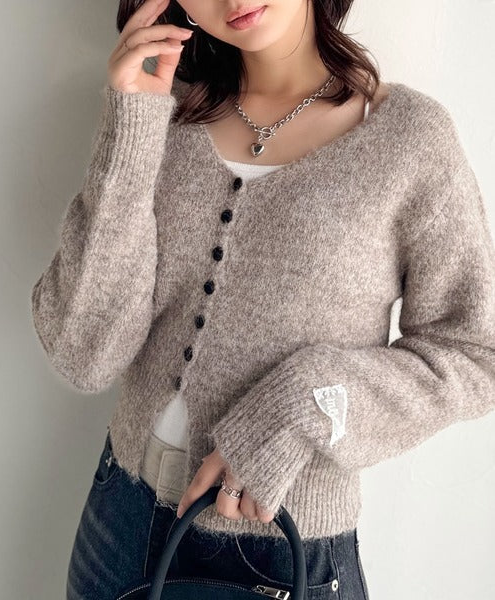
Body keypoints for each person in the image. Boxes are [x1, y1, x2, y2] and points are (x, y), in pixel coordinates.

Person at [30, 0, 495, 599]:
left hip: (283, 553)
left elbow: (474, 352)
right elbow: (84, 355)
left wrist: (308, 403)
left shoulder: (409, 139)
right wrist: (132, 123)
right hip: (118, 527)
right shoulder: (161, 113)